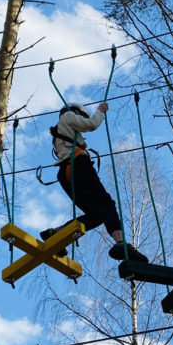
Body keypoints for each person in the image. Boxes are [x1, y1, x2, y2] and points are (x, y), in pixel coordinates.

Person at [42, 101, 148, 263]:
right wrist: (100, 111)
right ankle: (120, 242)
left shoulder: (61, 132)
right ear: (76, 112)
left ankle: (55, 234)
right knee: (106, 203)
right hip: (78, 166)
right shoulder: (68, 116)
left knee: (96, 216)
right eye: (82, 116)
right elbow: (91, 124)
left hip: (65, 174)